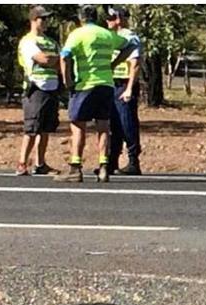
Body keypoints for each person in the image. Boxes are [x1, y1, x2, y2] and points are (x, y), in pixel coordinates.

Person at [54, 5, 137, 183]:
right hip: (106, 84)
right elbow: (131, 45)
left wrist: (67, 80)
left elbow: (64, 56)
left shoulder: (77, 34)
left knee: (78, 125)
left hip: (85, 84)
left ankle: (75, 167)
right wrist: (113, 63)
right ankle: (104, 166)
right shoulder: (106, 34)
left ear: (81, 18)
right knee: (103, 126)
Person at [16, 5, 61, 176]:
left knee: (45, 129)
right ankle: (22, 163)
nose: (46, 22)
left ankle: (40, 163)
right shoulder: (28, 41)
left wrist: (55, 60)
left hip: (52, 87)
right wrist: (53, 59)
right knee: (32, 128)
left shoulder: (51, 42)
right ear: (34, 20)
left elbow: (59, 61)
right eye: (43, 18)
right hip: (36, 88)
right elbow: (43, 59)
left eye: (47, 18)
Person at [105, 6, 143, 176]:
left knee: (127, 123)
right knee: (113, 125)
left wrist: (129, 89)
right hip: (111, 84)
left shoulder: (129, 36)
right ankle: (111, 161)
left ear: (119, 18)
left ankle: (133, 161)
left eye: (111, 18)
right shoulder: (110, 37)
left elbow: (135, 64)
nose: (108, 21)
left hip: (124, 84)